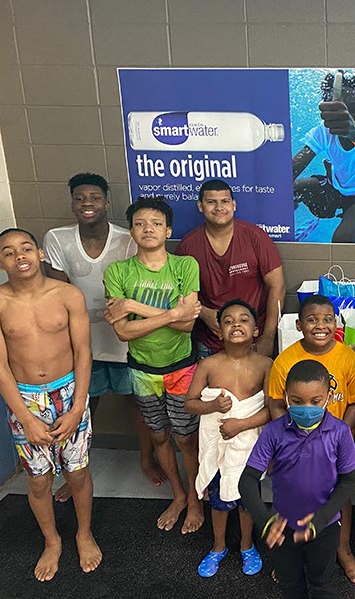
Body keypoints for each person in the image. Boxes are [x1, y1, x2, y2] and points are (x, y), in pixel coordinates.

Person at [43, 172, 164, 502]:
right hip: (81, 342)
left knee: (137, 404)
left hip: (125, 338)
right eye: (80, 198)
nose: (87, 204)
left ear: (106, 202)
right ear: (72, 203)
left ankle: (145, 459)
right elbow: (58, 293)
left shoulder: (127, 239)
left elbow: (132, 287)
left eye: (94, 198)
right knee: (82, 408)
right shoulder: (56, 239)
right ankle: (77, 471)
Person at [0, 228, 101, 581]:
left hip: (70, 391)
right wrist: (25, 418)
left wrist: (76, 409)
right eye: (9, 252)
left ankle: (84, 533)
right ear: (1, 261)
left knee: (77, 473)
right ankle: (52, 540)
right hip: (24, 398)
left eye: (26, 248)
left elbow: (84, 353)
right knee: (39, 480)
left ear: (40, 253)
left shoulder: (68, 295)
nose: (20, 256)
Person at [103, 196, 204, 534]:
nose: (148, 229)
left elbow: (188, 325)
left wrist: (135, 306)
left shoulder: (185, 265)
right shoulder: (118, 271)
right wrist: (172, 313)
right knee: (159, 436)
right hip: (142, 371)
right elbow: (123, 332)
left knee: (186, 439)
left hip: (182, 367)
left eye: (156, 223)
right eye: (140, 223)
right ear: (131, 230)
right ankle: (177, 495)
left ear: (168, 230)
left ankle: (194, 498)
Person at [239, 359, 355, 599]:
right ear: (285, 397)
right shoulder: (274, 432)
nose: (306, 408)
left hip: (324, 527)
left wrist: (322, 517)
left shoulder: (340, 432)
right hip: (281, 527)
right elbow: (247, 480)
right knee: (290, 584)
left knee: (323, 584)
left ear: (328, 395)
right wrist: (264, 520)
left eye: (315, 401)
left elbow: (349, 480)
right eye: (296, 401)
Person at [268, 294, 355, 583]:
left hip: (333, 446)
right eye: (312, 320)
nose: (320, 326)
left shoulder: (348, 358)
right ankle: (289, 554)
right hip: (294, 445)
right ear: (299, 325)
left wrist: (341, 434)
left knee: (339, 497)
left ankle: (343, 549)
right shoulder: (285, 361)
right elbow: (275, 402)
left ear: (336, 323)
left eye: (327, 319)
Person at [185, 299, 271, 578]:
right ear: (219, 331)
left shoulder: (265, 365)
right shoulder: (208, 365)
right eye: (229, 321)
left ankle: (247, 546)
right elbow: (190, 403)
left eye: (244, 320)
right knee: (219, 500)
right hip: (220, 443)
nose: (236, 324)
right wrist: (212, 407)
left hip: (249, 445)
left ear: (255, 330)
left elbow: (272, 410)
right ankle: (218, 546)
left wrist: (241, 424)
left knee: (247, 500)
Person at [176, 178, 285, 358]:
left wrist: (267, 338)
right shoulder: (188, 247)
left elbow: (277, 287)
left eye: (225, 201)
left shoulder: (255, 237)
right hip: (209, 343)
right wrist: (203, 313)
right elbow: (177, 294)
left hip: (254, 341)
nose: (219, 207)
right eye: (211, 202)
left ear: (233, 205)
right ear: (200, 206)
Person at [293, 69, 355, 243]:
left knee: (342, 239)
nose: (348, 117)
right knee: (289, 188)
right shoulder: (324, 131)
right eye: (341, 110)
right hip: (333, 187)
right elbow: (293, 167)